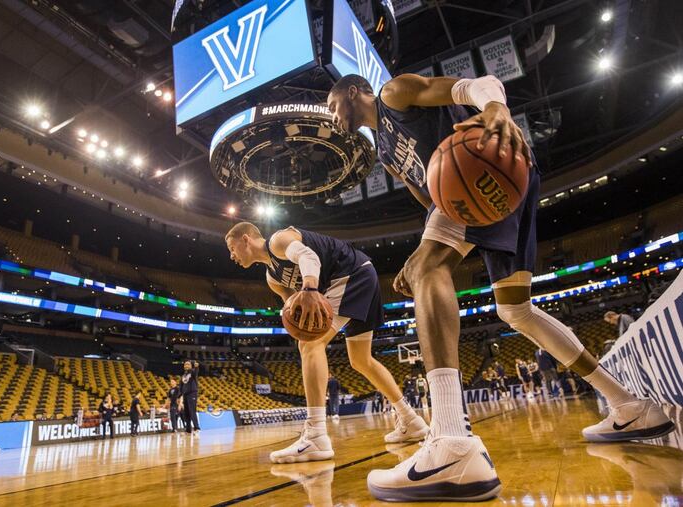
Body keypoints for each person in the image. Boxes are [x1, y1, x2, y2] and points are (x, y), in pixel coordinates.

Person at [326, 72, 674, 501]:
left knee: (427, 270)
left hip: (492, 162)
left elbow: (476, 83)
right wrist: (425, 249)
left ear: (351, 91)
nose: (330, 116)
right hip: (482, 188)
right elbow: (433, 198)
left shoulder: (393, 94)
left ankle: (451, 440)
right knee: (515, 310)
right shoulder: (383, 152)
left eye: (330, 105)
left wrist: (494, 109)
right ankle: (631, 407)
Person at [226, 222, 428, 464]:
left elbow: (308, 256)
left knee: (309, 344)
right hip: (361, 275)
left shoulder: (278, 241)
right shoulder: (272, 278)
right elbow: (295, 310)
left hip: (349, 274)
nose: (232, 255)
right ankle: (411, 420)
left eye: (232, 247)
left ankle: (316, 435)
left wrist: (310, 288)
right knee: (361, 360)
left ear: (246, 239)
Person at [180, 360, 200, 434]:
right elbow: (181, 386)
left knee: (192, 411)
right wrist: (180, 396)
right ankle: (188, 429)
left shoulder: (192, 372)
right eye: (185, 364)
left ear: (191, 366)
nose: (186, 366)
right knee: (186, 412)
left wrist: (196, 366)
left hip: (192, 394)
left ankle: (196, 428)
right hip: (185, 395)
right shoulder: (183, 375)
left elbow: (196, 371)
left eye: (188, 364)